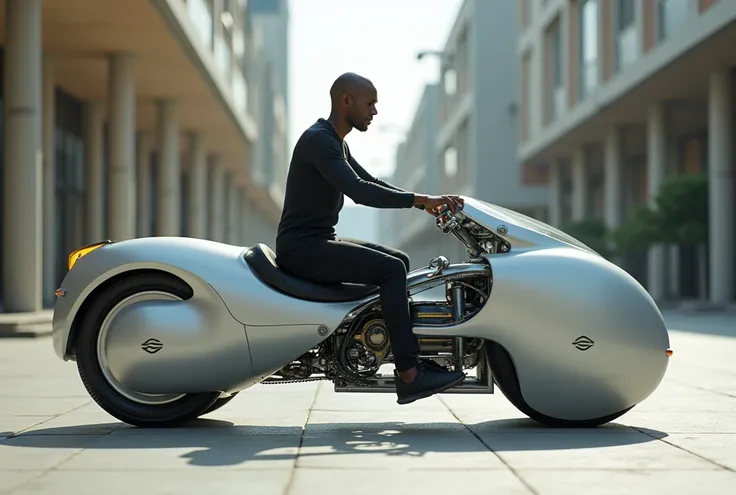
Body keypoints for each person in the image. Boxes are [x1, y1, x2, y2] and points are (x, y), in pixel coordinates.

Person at [275, 72, 466, 405]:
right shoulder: (319, 140)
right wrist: (420, 200)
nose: (375, 111)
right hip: (302, 249)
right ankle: (409, 373)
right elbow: (360, 192)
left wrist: (425, 202)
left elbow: (370, 180)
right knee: (391, 270)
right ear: (346, 100)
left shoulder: (336, 142)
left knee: (400, 262)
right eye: (370, 103)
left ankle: (399, 350)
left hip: (318, 241)